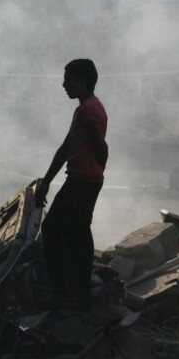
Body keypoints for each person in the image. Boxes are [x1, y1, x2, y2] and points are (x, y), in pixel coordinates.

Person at [34, 58, 108, 311]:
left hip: (81, 181)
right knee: (78, 233)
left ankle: (64, 292)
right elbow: (66, 148)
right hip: (85, 180)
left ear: (82, 81)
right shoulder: (86, 109)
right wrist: (46, 181)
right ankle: (81, 295)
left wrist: (97, 164)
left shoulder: (88, 111)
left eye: (68, 79)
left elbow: (101, 147)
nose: (64, 85)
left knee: (52, 230)